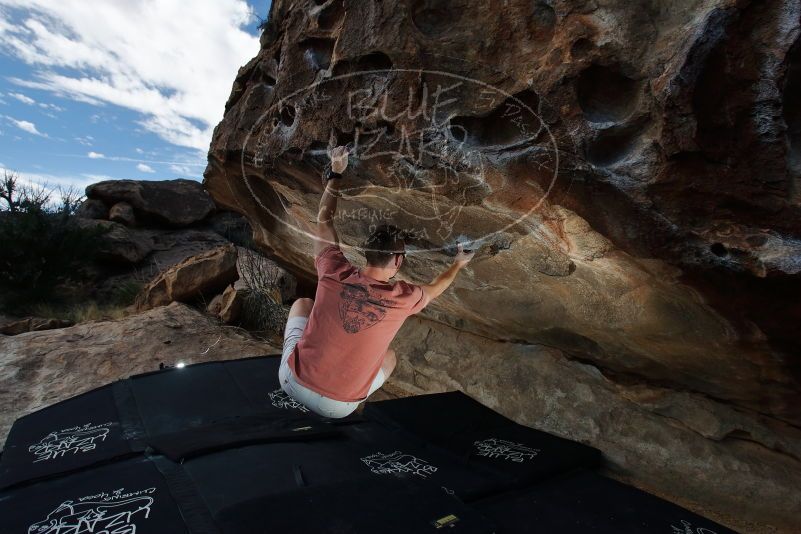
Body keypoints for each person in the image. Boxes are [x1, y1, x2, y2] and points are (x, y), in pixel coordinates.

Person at [278, 145, 475, 418]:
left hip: (293, 384)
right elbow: (438, 286)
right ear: (397, 261)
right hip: (339, 408)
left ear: (365, 253)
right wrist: (459, 263)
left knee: (302, 304)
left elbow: (324, 217)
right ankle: (351, 399)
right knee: (390, 357)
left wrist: (336, 172)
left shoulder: (333, 268)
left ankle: (309, 363)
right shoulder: (404, 298)